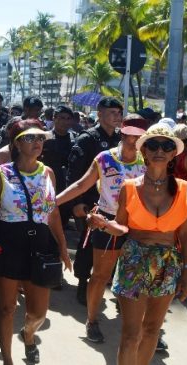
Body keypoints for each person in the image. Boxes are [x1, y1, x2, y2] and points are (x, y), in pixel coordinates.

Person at [88, 124, 187, 365]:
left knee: (151, 332)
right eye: (153, 145)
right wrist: (101, 224)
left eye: (166, 145)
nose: (160, 150)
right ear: (143, 151)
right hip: (134, 259)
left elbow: (186, 234)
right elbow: (122, 228)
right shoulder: (129, 187)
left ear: (173, 153)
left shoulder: (183, 190)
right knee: (130, 334)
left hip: (167, 262)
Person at [0, 119, 71, 364]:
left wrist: (63, 247)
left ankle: (28, 335)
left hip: (40, 247)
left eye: (41, 138)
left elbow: (52, 213)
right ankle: (8, 359)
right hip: (8, 246)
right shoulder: (1, 174)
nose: (37, 142)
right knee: (6, 308)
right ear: (17, 144)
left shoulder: (48, 173)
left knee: (38, 313)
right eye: (30, 138)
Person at [57, 114, 148, 343]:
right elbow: (81, 185)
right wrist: (52, 201)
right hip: (106, 222)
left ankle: (144, 328)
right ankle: (92, 320)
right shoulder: (104, 158)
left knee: (138, 278)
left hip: (137, 226)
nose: (132, 140)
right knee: (99, 276)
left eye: (138, 137)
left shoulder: (147, 160)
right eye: (129, 135)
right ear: (122, 131)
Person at [65, 96, 123, 305]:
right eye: (112, 113)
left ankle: (113, 285)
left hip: (116, 204)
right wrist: (76, 203)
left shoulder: (121, 139)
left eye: (119, 113)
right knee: (88, 244)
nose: (117, 117)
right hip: (92, 203)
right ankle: (83, 283)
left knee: (116, 244)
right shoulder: (87, 139)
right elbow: (74, 175)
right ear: (99, 114)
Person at [40, 105, 78, 226]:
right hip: (45, 187)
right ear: (54, 118)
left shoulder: (76, 139)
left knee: (62, 223)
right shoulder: (44, 138)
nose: (65, 121)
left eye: (68, 118)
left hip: (66, 189)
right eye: (61, 118)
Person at [0, 95, 43, 160]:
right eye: (36, 110)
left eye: (39, 110)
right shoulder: (15, 124)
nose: (38, 113)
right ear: (26, 109)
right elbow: (4, 146)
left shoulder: (39, 125)